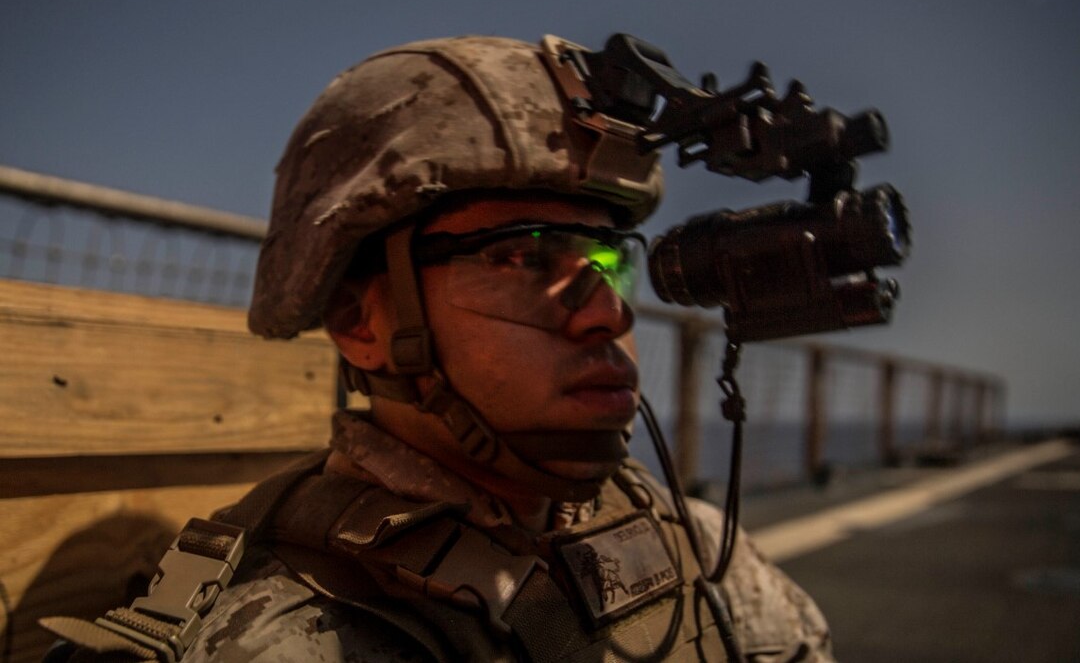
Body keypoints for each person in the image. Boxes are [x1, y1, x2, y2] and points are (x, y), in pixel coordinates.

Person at [43, 34, 832, 662]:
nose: (607, 314)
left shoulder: (683, 537)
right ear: (361, 322)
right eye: (519, 258)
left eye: (606, 259)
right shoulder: (297, 634)